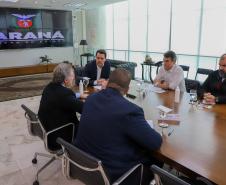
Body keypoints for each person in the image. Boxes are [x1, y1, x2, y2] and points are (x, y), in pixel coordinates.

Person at [75, 68, 162, 185]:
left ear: (108, 82)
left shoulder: (90, 99)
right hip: (111, 175)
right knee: (157, 159)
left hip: (82, 165)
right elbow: (155, 142)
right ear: (127, 90)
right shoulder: (130, 111)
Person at [38, 63, 84, 146]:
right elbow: (84, 109)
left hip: (50, 129)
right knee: (90, 124)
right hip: (60, 136)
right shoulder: (65, 94)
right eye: (73, 75)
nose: (74, 78)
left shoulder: (49, 87)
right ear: (66, 80)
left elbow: (65, 100)